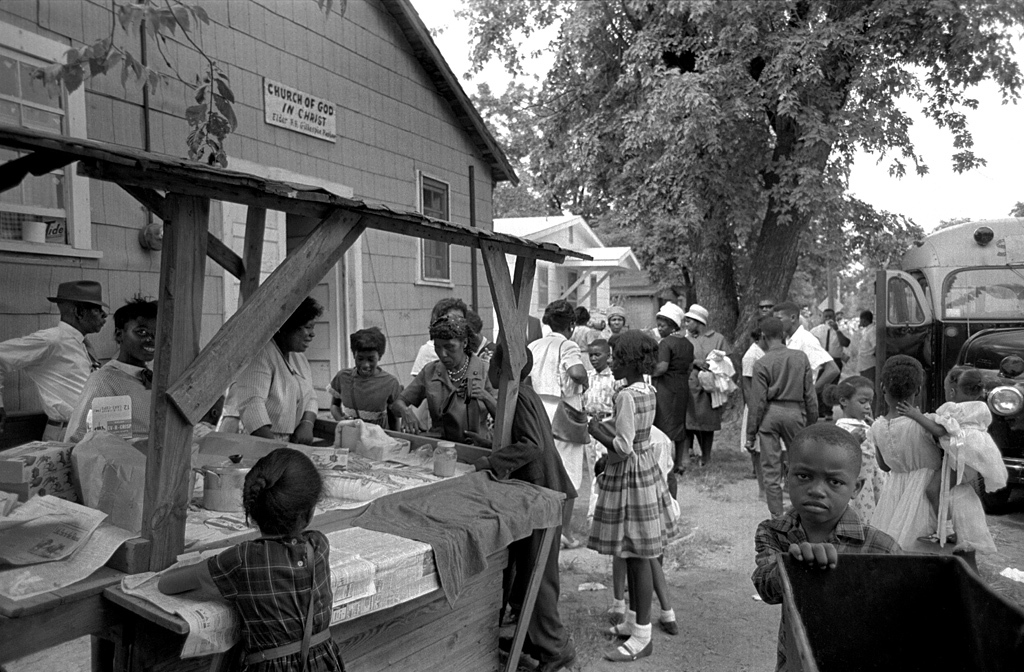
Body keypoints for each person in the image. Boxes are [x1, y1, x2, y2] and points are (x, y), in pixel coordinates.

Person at [159, 448, 345, 672]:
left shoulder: (242, 559)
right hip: (323, 663)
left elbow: (167, 584)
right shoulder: (318, 545)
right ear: (309, 513)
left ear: (251, 509)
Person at [752, 424, 901, 672]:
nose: (817, 490)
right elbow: (766, 589)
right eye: (804, 476)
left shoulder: (882, 548)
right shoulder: (774, 532)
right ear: (787, 474)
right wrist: (794, 568)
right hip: (796, 662)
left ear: (856, 488)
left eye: (834, 482)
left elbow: (900, 618)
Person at [472, 345, 577, 672]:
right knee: (524, 573)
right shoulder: (518, 394)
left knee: (538, 577)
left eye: (491, 364)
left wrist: (492, 462)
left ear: (502, 370)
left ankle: (556, 649)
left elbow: (531, 445)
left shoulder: (520, 396)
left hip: (543, 492)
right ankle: (532, 638)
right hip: (535, 492)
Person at [587, 330, 677, 662]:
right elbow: (636, 432)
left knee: (637, 555)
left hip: (629, 476)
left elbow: (623, 447)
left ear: (630, 362)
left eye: (617, 357)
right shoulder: (647, 389)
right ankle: (633, 621)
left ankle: (642, 636)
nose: (612, 362)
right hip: (645, 471)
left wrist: (597, 431)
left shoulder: (626, 395)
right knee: (636, 551)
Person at [897, 367, 1008, 564]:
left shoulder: (953, 409)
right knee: (953, 492)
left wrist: (915, 415)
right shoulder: (980, 407)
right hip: (974, 456)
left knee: (934, 490)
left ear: (952, 391)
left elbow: (940, 430)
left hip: (960, 457)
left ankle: (945, 529)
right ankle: (951, 529)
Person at [0, 280, 107, 440]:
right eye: (97, 309)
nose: (104, 315)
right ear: (79, 312)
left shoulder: (81, 344)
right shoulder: (52, 340)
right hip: (66, 433)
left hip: (90, 431)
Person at [528, 300, 590, 548]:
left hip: (536, 411)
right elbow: (576, 372)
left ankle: (543, 528)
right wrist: (585, 382)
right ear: (571, 325)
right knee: (569, 471)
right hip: (563, 412)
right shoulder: (567, 345)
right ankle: (564, 531)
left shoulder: (534, 345)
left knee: (543, 469)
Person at [867, 355, 942, 549]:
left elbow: (884, 466)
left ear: (882, 387)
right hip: (925, 493)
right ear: (918, 389)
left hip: (893, 494)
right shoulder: (926, 423)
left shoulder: (876, 427)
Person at [223, 297, 322, 444]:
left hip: (285, 441)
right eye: (308, 327)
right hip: (258, 440)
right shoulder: (259, 354)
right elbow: (252, 406)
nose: (312, 334)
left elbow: (310, 396)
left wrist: (307, 423)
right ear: (287, 326)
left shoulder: (298, 358)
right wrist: (275, 449)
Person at [746, 316, 817, 518]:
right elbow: (810, 396)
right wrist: (812, 422)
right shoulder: (800, 358)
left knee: (770, 468)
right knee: (800, 463)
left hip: (770, 414)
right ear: (784, 334)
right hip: (794, 412)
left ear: (763, 336)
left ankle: (776, 515)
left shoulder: (761, 363)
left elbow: (757, 402)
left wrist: (750, 434)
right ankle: (799, 509)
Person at [65, 297, 157, 444]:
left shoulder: (154, 378)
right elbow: (79, 439)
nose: (151, 339)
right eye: (142, 332)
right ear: (119, 335)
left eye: (158, 333)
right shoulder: (105, 382)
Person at [392, 314, 495, 444]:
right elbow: (397, 404)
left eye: (449, 347)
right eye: (437, 347)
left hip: (476, 446)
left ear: (464, 343)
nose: (442, 354)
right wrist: (405, 411)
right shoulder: (430, 371)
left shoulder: (484, 370)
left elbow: (504, 417)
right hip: (440, 446)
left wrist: (485, 396)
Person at [825, 377, 885, 523]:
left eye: (870, 402)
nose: (868, 407)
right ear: (844, 401)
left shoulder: (868, 426)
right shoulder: (841, 430)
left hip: (873, 485)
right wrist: (853, 441)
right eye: (862, 402)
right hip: (855, 489)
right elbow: (832, 460)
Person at [650, 302, 693, 498]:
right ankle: (680, 462)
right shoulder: (687, 343)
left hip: (666, 387)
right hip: (682, 385)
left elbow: (662, 367)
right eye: (658, 325)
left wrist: (647, 370)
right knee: (679, 422)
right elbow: (689, 366)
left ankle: (666, 459)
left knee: (664, 422)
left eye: (663, 325)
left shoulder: (666, 343)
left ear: (673, 325)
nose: (659, 329)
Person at [683, 304, 730, 466]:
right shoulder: (685, 339)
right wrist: (694, 362)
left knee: (707, 420)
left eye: (689, 321)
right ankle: (686, 454)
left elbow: (728, 362)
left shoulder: (718, 339)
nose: (686, 324)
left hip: (710, 387)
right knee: (687, 420)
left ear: (699, 322)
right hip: (689, 384)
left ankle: (706, 456)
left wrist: (715, 365)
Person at [328, 327, 403, 429]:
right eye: (360, 359)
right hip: (351, 433)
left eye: (371, 359)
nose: (365, 365)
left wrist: (396, 436)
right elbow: (334, 405)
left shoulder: (390, 382)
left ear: (380, 356)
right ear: (354, 355)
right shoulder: (342, 377)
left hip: (379, 436)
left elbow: (393, 418)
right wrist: (341, 420)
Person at [773, 301, 839, 402]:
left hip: (798, 402)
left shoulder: (805, 340)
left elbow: (832, 369)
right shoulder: (788, 340)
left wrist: (811, 393)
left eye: (779, 319)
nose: (776, 324)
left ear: (793, 318)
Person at [409, 298, 469, 378]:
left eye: (460, 319)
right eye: (452, 319)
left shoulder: (470, 349)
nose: (457, 324)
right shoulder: (427, 350)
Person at [740, 327, 766, 497]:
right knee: (755, 445)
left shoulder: (765, 352)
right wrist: (754, 410)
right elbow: (747, 386)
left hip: (765, 404)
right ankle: (761, 485)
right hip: (755, 405)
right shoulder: (751, 356)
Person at [855, 310, 876, 386]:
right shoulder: (867, 330)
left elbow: (876, 347)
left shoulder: (872, 331)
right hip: (864, 365)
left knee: (869, 385)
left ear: (863, 320)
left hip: (869, 365)